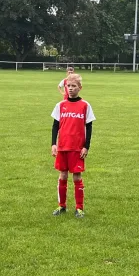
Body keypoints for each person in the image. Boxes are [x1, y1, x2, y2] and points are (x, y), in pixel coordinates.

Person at [51, 73, 96, 218]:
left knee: (77, 177)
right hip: (63, 146)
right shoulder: (60, 105)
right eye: (68, 86)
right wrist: (53, 144)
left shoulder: (85, 105)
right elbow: (55, 126)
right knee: (62, 175)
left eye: (73, 86)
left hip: (77, 148)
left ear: (80, 88)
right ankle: (61, 206)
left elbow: (89, 128)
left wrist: (86, 146)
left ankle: (79, 208)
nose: (70, 89)